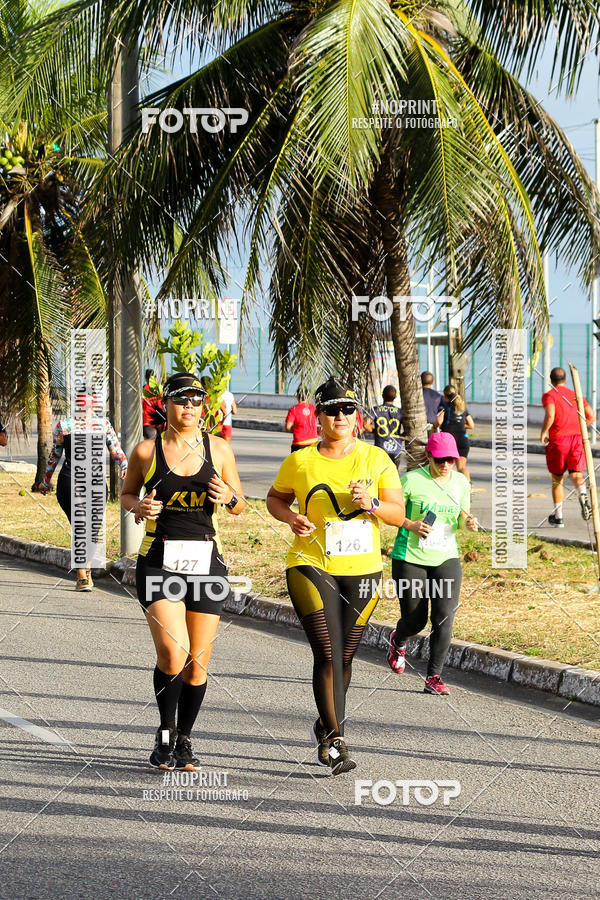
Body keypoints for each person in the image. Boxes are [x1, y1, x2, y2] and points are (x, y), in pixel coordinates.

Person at [267, 377, 405, 775]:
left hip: (362, 569)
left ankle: (325, 724)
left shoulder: (376, 459)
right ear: (319, 416)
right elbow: (275, 499)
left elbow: (398, 514)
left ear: (356, 416)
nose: (340, 416)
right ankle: (338, 737)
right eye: (331, 409)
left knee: (345, 656)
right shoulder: (301, 460)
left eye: (347, 409)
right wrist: (291, 517)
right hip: (310, 564)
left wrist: (373, 503)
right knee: (327, 651)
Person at [121, 372, 246, 771]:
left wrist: (229, 497)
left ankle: (185, 740)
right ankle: (164, 735)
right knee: (172, 655)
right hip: (159, 559)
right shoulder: (146, 451)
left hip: (207, 561)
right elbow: (125, 494)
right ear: (166, 405)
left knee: (197, 662)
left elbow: (241, 503)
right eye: (181, 399)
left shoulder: (220, 450)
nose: (189, 406)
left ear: (203, 406)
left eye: (196, 400)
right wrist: (138, 508)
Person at [387, 432, 478, 695]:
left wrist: (468, 523)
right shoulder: (411, 480)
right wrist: (411, 525)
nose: (445, 464)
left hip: (446, 556)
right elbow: (391, 514)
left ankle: (434, 677)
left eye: (450, 459)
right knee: (416, 621)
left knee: (444, 618)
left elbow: (461, 518)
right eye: (440, 459)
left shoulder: (461, 482)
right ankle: (399, 639)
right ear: (428, 456)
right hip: (410, 557)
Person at [38, 406, 127, 591]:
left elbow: (116, 450)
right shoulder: (65, 426)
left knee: (93, 528)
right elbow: (55, 454)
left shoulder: (103, 425)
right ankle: (80, 574)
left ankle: (86, 567)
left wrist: (125, 466)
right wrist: (45, 481)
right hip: (71, 480)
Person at [541, 367, 595, 527]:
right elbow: (591, 415)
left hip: (558, 440)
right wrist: (580, 428)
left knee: (557, 479)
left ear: (551, 380)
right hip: (577, 440)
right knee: (577, 474)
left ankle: (558, 517)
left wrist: (544, 431)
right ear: (565, 380)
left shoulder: (550, 395)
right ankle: (583, 495)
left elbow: (550, 414)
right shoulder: (576, 395)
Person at [435, 385, 474, 481]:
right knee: (461, 468)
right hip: (463, 440)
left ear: (445, 396)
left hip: (449, 441)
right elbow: (471, 425)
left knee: (445, 467)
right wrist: (459, 425)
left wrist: (435, 426)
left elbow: (439, 422)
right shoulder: (462, 407)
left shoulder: (444, 407)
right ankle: (467, 487)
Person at [364, 385, 403, 468]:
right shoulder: (400, 412)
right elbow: (409, 428)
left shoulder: (376, 410)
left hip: (380, 448)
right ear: (395, 397)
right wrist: (402, 437)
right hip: (396, 449)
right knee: (394, 474)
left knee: (379, 474)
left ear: (382, 395)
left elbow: (365, 424)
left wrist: (375, 431)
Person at [285, 387, 318, 452]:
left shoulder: (293, 409)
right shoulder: (313, 408)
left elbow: (287, 427)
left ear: (297, 396)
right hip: (313, 442)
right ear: (308, 397)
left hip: (299, 443)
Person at [143, 369, 165, 440]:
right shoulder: (159, 390)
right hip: (157, 422)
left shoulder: (143, 390)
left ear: (145, 378)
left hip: (148, 422)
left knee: (151, 445)